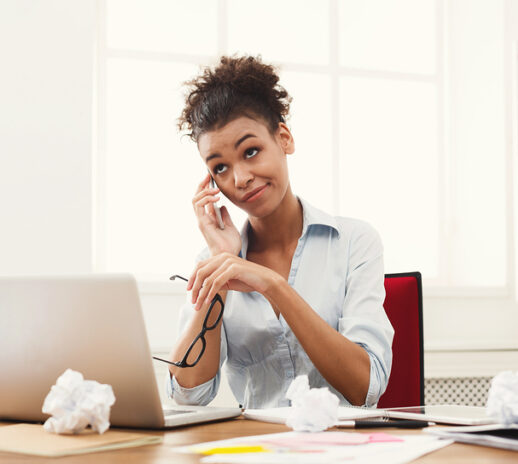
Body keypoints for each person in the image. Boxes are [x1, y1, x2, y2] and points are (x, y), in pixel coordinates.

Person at [163, 55, 394, 409]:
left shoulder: (354, 242)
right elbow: (188, 392)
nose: (239, 179)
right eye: (220, 167)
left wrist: (273, 285)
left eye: (251, 151)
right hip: (256, 454)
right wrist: (222, 262)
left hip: (343, 452)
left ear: (283, 138)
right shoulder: (216, 263)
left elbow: (365, 386)